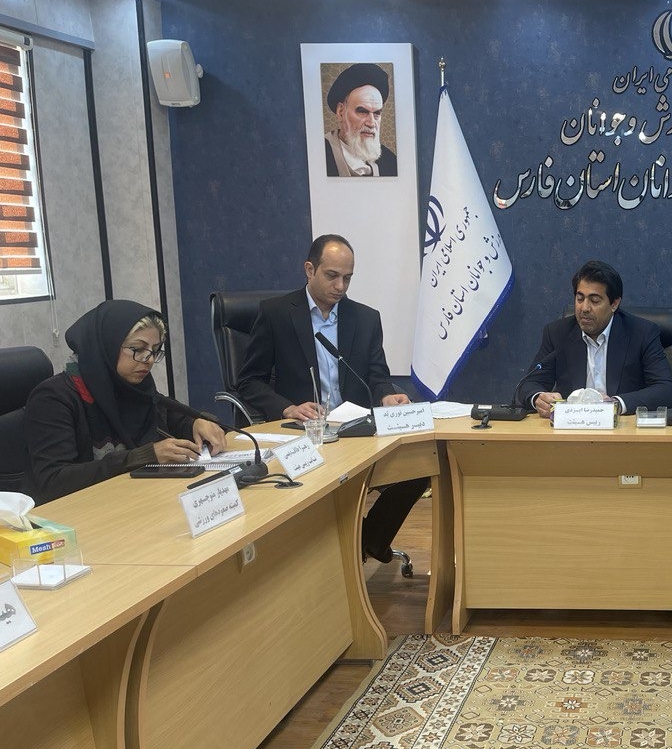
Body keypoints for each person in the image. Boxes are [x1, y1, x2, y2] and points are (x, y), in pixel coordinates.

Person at [237, 233, 423, 562]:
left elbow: (377, 377)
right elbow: (249, 381)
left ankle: (366, 542)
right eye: (332, 276)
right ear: (310, 269)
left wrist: (386, 397)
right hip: (305, 435)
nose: (340, 287)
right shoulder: (276, 314)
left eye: (347, 278)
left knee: (419, 467)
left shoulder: (366, 318)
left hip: (355, 432)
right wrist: (288, 408)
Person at [24, 300, 226, 503]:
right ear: (107, 346)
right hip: (76, 512)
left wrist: (194, 424)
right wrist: (141, 457)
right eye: (138, 349)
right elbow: (54, 482)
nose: (148, 359)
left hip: (131, 501)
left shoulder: (134, 387)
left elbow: (168, 420)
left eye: (154, 350)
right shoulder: (53, 398)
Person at [516, 260, 672, 418]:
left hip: (623, 429)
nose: (584, 308)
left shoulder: (641, 333)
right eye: (580, 299)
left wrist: (616, 404)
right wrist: (538, 398)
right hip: (572, 429)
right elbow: (528, 384)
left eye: (594, 301)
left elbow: (666, 390)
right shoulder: (558, 333)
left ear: (614, 304)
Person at [323, 62, 397, 178]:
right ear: (341, 112)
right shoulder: (320, 154)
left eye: (377, 113)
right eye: (362, 111)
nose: (371, 123)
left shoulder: (390, 162)